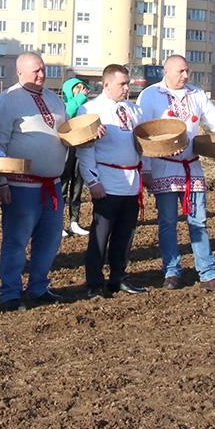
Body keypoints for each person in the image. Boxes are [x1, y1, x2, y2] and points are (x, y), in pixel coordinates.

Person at [137, 55, 215, 292]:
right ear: (166, 71)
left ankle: (208, 273)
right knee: (167, 222)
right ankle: (171, 272)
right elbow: (142, 133)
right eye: (181, 71)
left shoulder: (196, 94)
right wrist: (145, 169)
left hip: (191, 167)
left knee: (199, 221)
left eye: (187, 71)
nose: (186, 76)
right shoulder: (150, 95)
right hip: (163, 167)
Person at [0, 52, 69, 310]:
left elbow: (65, 134)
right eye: (36, 70)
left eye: (43, 69)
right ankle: (10, 293)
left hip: (52, 184)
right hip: (21, 186)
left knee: (50, 239)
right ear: (20, 72)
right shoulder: (7, 101)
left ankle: (38, 287)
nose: (41, 74)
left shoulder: (54, 99)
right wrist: (0, 181)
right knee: (16, 240)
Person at [77, 64, 145, 299]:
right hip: (107, 181)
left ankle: (119, 277)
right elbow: (84, 149)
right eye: (122, 84)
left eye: (128, 83)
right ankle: (94, 283)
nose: (126, 88)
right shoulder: (90, 110)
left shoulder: (134, 110)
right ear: (106, 85)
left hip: (131, 182)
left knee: (125, 234)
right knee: (100, 235)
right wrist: (92, 180)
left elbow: (142, 144)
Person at [60, 75, 91, 238]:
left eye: (83, 88)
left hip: (81, 147)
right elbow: (67, 114)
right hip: (66, 148)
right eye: (77, 88)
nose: (81, 91)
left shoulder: (86, 107)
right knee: (63, 185)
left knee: (78, 185)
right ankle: (58, 223)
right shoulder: (63, 105)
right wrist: (79, 99)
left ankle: (74, 221)